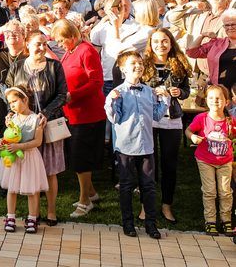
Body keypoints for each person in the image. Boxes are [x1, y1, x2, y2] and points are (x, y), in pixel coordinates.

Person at [3, 32, 67, 226]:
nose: (41, 47)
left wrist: (45, 113)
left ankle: (51, 212)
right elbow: (8, 92)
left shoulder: (55, 66)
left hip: (48, 122)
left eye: (44, 44)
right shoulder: (17, 66)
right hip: (24, 124)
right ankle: (34, 214)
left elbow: (62, 94)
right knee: (31, 169)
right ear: (28, 45)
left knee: (50, 170)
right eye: (37, 44)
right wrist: (11, 112)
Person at [105, 49, 169, 239]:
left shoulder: (149, 91)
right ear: (123, 69)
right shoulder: (119, 92)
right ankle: (128, 223)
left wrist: (164, 99)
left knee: (148, 186)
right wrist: (112, 101)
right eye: (133, 63)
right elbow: (114, 118)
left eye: (140, 63)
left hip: (146, 145)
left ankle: (151, 224)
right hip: (126, 146)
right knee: (126, 185)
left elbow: (156, 115)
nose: (138, 66)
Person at [51, 19, 105, 218]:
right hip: (73, 113)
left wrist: (72, 95)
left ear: (73, 36)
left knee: (81, 158)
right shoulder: (70, 51)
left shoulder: (86, 51)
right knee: (76, 155)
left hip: (87, 113)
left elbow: (96, 82)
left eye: (61, 40)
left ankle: (85, 201)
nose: (59, 44)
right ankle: (91, 193)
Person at [141, 27, 191, 223]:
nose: (160, 45)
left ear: (171, 43)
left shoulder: (178, 64)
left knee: (169, 164)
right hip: (149, 118)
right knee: (148, 163)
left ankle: (166, 204)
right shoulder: (143, 64)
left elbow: (186, 90)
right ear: (150, 44)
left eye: (164, 41)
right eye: (156, 41)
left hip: (172, 119)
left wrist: (180, 93)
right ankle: (146, 205)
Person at [186, 84, 235, 236]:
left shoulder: (230, 121)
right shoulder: (202, 118)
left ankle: (226, 220)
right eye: (211, 98)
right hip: (205, 160)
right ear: (206, 100)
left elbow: (233, 137)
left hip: (225, 161)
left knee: (226, 192)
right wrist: (193, 137)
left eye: (219, 98)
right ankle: (210, 221)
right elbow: (188, 130)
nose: (215, 101)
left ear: (226, 102)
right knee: (209, 191)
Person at [0, 86, 48, 234]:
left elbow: (38, 141)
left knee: (31, 189)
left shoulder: (36, 119)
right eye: (10, 103)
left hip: (29, 158)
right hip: (14, 159)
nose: (12, 105)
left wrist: (19, 146)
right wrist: (1, 142)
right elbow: (7, 136)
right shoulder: (12, 118)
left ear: (25, 100)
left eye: (14, 101)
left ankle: (32, 218)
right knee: (12, 188)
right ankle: (10, 217)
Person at [186, 9, 236, 88]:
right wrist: (202, 35)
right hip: (219, 90)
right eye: (227, 25)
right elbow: (192, 52)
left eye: (233, 24)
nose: (230, 27)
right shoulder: (217, 43)